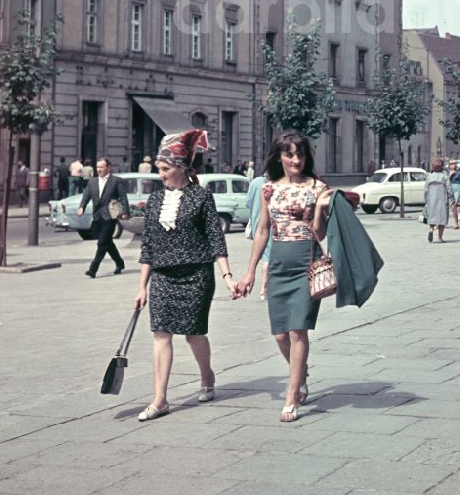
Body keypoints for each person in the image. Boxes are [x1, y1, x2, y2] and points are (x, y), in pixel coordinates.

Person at [134, 129, 238, 422]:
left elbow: (216, 239)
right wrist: (141, 286)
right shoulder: (154, 201)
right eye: (159, 169)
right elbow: (148, 246)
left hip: (197, 275)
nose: (161, 175)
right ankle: (160, 399)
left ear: (180, 168)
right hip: (163, 277)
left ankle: (207, 376)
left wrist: (228, 276)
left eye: (165, 169)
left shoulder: (202, 197)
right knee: (161, 334)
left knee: (194, 335)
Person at [237, 131, 334, 422]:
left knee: (297, 330)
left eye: (300, 154)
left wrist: (316, 209)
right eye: (290, 154)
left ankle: (292, 397)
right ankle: (300, 373)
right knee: (280, 334)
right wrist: (250, 270)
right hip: (278, 264)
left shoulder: (318, 187)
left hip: (307, 261)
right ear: (279, 156)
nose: (296, 160)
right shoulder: (269, 189)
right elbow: (263, 231)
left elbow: (320, 234)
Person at [78, 158, 131, 278]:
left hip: (110, 216)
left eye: (102, 167)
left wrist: (126, 212)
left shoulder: (116, 181)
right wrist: (82, 207)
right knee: (107, 242)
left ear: (109, 168)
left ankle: (93, 269)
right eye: (97, 167)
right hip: (97, 216)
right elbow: (86, 195)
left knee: (102, 243)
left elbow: (123, 197)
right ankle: (119, 262)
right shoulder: (92, 182)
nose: (99, 170)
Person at [245, 173, 271, 299]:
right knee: (268, 256)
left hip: (256, 222)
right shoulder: (270, 184)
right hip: (269, 225)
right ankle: (264, 288)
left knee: (264, 254)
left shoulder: (255, 182)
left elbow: (248, 203)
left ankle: (265, 287)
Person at [423, 159, 451, 242]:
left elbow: (425, 190)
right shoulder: (444, 176)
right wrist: (452, 198)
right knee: (442, 219)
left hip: (431, 200)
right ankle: (440, 238)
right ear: (442, 167)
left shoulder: (429, 177)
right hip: (442, 199)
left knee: (432, 217)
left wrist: (426, 200)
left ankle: (431, 230)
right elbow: (449, 188)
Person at [447, 161, 460, 229]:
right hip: (449, 189)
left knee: (454, 205)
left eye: (453, 164)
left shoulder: (459, 173)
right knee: (450, 206)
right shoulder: (447, 172)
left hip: (457, 189)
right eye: (451, 164)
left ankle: (456, 223)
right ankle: (445, 222)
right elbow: (446, 181)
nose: (452, 165)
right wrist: (450, 175)